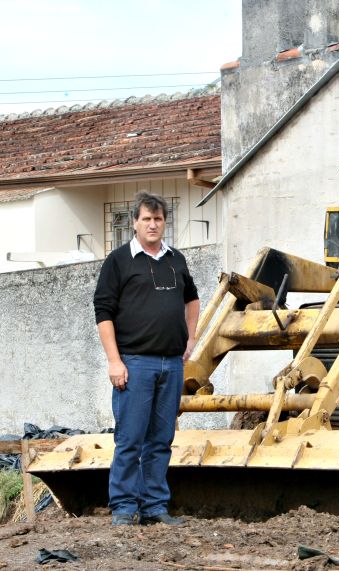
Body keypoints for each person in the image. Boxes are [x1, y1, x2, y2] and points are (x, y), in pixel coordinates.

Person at [94, 191, 200, 526]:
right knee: (130, 439)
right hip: (135, 363)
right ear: (134, 223)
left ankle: (155, 506)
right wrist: (114, 361)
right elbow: (103, 312)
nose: (152, 225)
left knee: (161, 440)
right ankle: (124, 507)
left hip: (172, 364)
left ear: (164, 222)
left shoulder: (175, 259)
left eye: (158, 219)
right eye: (146, 219)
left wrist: (191, 337)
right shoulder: (119, 260)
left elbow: (192, 300)